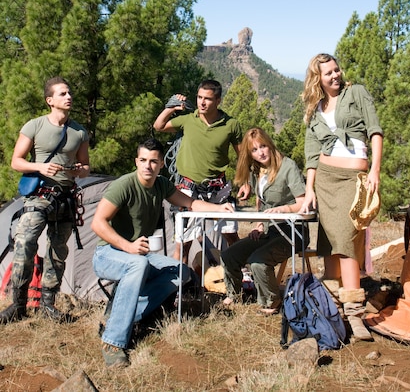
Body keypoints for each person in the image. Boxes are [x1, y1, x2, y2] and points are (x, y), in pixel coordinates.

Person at [91, 137, 235, 368]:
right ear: (136, 161)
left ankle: (121, 318)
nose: (148, 166)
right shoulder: (124, 185)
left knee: (182, 272)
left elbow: (191, 204)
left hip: (138, 255)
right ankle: (113, 342)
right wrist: (127, 246)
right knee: (138, 265)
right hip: (108, 254)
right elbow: (98, 223)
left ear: (160, 165)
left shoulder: (161, 185)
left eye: (154, 161)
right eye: (143, 160)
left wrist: (219, 208)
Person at [301, 53, 383, 340]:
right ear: (318, 79)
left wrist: (375, 170)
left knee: (347, 241)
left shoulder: (356, 93)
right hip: (325, 180)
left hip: (353, 178)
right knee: (329, 243)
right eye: (328, 73)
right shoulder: (314, 109)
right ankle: (334, 306)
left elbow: (375, 131)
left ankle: (355, 313)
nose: (335, 75)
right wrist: (310, 189)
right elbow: (311, 155)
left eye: (336, 70)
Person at [0, 77, 90, 324]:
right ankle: (17, 305)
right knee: (25, 243)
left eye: (70, 92)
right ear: (50, 101)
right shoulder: (35, 126)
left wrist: (80, 170)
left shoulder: (80, 131)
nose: (68, 96)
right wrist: (40, 166)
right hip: (40, 196)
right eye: (62, 94)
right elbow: (16, 161)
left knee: (58, 252)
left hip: (66, 197)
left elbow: (86, 167)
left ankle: (48, 305)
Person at [153, 79, 249, 263]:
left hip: (219, 189)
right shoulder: (188, 120)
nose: (202, 102)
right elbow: (159, 126)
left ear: (218, 100)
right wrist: (172, 107)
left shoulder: (231, 125)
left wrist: (245, 181)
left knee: (231, 236)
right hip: (188, 189)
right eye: (199, 97)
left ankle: (242, 278)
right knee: (183, 243)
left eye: (207, 99)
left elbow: (241, 156)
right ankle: (181, 286)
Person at [221, 127, 308, 315]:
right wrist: (260, 225)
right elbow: (261, 202)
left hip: (293, 231)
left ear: (269, 144)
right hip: (269, 231)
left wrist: (283, 209)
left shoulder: (288, 166)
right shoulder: (255, 171)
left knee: (257, 261)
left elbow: (302, 203)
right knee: (230, 255)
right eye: (254, 150)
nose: (260, 152)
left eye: (263, 146)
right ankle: (235, 294)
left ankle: (272, 300)